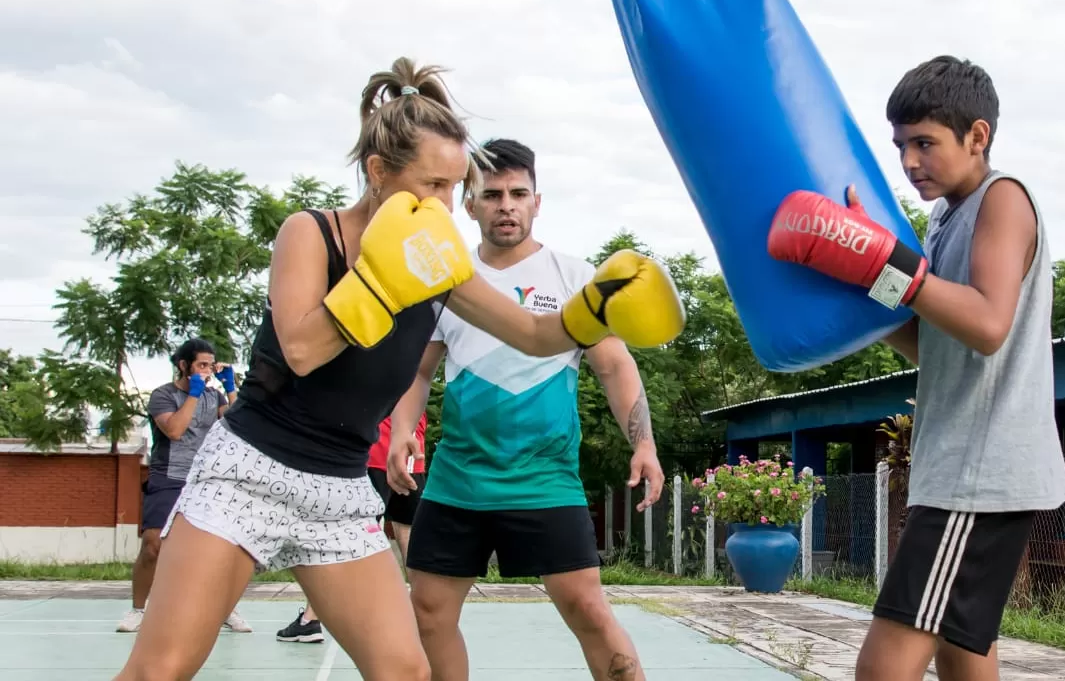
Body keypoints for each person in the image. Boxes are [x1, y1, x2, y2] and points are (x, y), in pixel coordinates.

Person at [111, 57, 685, 681]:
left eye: (452, 185)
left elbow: (536, 332)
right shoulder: (311, 234)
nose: (446, 202)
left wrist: (597, 307)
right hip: (251, 471)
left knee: (405, 671)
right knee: (161, 669)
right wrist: (382, 283)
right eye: (433, 185)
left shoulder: (441, 263)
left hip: (337, 489)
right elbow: (301, 349)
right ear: (378, 172)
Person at [767, 55, 1065, 681]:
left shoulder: (1002, 199)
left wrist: (888, 263)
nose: (909, 162)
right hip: (959, 465)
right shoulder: (943, 220)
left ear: (977, 136)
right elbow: (932, 343)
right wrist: (861, 273)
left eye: (925, 143)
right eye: (902, 145)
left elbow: (988, 325)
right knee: (964, 655)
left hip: (978, 472)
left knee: (883, 670)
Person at [387, 137, 664, 681]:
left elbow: (613, 365)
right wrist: (401, 430)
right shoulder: (445, 279)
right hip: (458, 479)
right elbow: (418, 371)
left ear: (538, 201)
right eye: (492, 195)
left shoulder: (575, 277)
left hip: (545, 478)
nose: (506, 205)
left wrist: (645, 443)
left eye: (518, 193)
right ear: (469, 205)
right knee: (428, 612)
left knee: (587, 609)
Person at [117, 338, 252, 635]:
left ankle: (227, 609)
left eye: (210, 365)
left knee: (224, 549)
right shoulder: (163, 395)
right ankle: (139, 609)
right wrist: (193, 393)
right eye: (201, 365)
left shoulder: (215, 397)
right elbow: (176, 430)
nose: (206, 371)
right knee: (152, 544)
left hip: (208, 477)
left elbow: (242, 424)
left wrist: (230, 388)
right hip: (169, 475)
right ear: (183, 365)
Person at [275, 412, 429, 644]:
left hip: (377, 456)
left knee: (344, 532)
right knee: (407, 532)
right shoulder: (415, 376)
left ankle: (311, 619)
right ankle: (421, 614)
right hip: (410, 457)